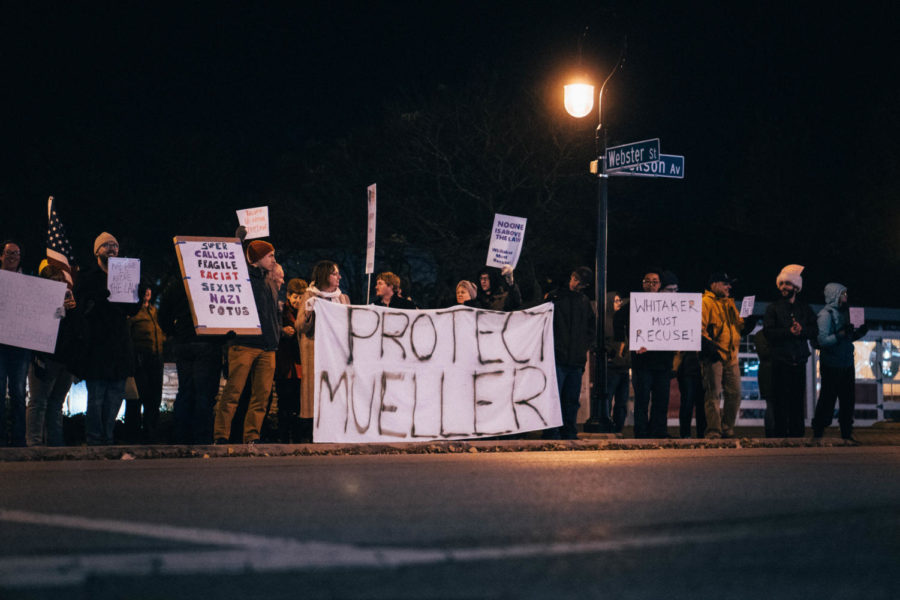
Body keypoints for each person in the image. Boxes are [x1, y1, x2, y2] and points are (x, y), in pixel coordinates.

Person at [72, 232, 141, 445]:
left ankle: (108, 437)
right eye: (106, 246)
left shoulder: (127, 275)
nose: (111, 249)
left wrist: (135, 291)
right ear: (97, 252)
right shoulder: (88, 278)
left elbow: (133, 309)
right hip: (96, 349)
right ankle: (94, 439)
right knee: (96, 398)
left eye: (114, 245)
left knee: (114, 399)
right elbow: (80, 309)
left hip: (119, 348)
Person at [213, 240, 281, 445]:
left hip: (268, 346)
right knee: (233, 392)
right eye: (269, 255)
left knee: (262, 395)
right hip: (244, 343)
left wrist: (276, 336)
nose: (273, 259)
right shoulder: (241, 278)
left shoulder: (269, 282)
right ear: (257, 258)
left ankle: (252, 436)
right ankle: (221, 435)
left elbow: (271, 315)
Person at [158, 273, 224, 445]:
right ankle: (202, 438)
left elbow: (163, 316)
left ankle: (181, 436)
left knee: (186, 390)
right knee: (205, 392)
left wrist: (177, 333)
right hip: (208, 342)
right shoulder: (213, 284)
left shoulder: (177, 285)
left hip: (184, 343)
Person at [615, 269, 674, 438]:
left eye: (655, 282)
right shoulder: (635, 304)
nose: (651, 285)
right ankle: (641, 432)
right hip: (642, 360)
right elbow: (618, 318)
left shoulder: (669, 304)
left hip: (663, 360)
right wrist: (624, 341)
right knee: (642, 399)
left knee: (661, 399)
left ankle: (659, 430)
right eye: (647, 281)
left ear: (660, 284)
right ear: (642, 284)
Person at [296, 260, 350, 442]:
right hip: (315, 354)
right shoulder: (310, 295)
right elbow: (300, 326)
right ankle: (309, 436)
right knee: (314, 395)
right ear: (325, 275)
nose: (339, 277)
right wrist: (310, 312)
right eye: (335, 273)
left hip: (336, 356)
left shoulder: (342, 298)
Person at [26, 263, 80, 446]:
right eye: (52, 282)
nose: (57, 285)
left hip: (64, 360)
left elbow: (76, 331)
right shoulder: (36, 303)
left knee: (56, 404)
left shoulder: (68, 299)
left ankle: (55, 443)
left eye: (59, 282)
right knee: (39, 402)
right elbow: (37, 328)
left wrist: (72, 311)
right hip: (45, 359)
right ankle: (34, 443)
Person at [763, 264, 817, 437]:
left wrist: (802, 330)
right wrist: (788, 332)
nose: (784, 287)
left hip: (799, 360)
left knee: (796, 401)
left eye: (787, 284)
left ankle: (797, 434)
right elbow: (768, 332)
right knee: (780, 401)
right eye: (781, 284)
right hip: (780, 360)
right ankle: (780, 435)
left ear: (796, 287)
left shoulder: (805, 308)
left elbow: (815, 330)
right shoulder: (773, 308)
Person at [544, 266, 595, 440]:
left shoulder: (583, 301)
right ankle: (553, 432)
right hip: (559, 358)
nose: (574, 283)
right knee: (556, 398)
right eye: (574, 279)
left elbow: (590, 328)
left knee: (571, 400)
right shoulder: (556, 297)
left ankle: (568, 431)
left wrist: (583, 347)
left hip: (574, 359)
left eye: (579, 282)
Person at [812, 283, 867, 441]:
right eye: (844, 294)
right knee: (827, 399)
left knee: (848, 401)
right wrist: (841, 334)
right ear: (835, 295)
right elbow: (822, 340)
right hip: (831, 364)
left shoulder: (844, 314)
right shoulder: (825, 315)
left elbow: (846, 339)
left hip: (846, 363)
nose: (846, 297)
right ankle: (818, 432)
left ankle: (846, 433)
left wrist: (859, 333)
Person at [699, 272, 745, 439]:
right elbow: (700, 328)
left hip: (731, 357)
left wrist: (746, 324)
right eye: (725, 284)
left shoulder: (729, 303)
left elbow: (737, 327)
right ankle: (714, 430)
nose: (729, 287)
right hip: (714, 356)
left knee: (735, 393)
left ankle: (726, 428)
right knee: (713, 394)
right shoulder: (705, 303)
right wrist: (710, 348)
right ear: (714, 284)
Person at [125, 283, 166, 443]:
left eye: (149, 289)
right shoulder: (134, 313)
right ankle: (133, 435)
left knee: (154, 398)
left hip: (156, 357)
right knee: (137, 397)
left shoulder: (154, 311)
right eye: (144, 289)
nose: (147, 292)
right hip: (141, 358)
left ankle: (151, 433)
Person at [1, 240, 30, 446]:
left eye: (16, 253)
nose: (12, 257)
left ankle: (19, 440)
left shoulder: (29, 283)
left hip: (20, 346)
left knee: (19, 393)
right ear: (1, 256)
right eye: (9, 253)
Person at [275, 278, 306, 443]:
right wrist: (282, 331)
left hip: (299, 366)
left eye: (301, 297)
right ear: (288, 296)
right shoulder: (280, 311)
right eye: (295, 297)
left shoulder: (306, 313)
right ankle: (283, 437)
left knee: (297, 403)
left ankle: (297, 437)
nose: (298, 301)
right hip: (285, 364)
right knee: (284, 402)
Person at [604, 291, 630, 433]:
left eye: (620, 300)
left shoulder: (623, 322)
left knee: (622, 402)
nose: (619, 303)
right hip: (611, 367)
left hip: (624, 367)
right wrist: (612, 354)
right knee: (608, 399)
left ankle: (618, 428)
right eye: (616, 300)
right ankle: (607, 426)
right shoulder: (605, 322)